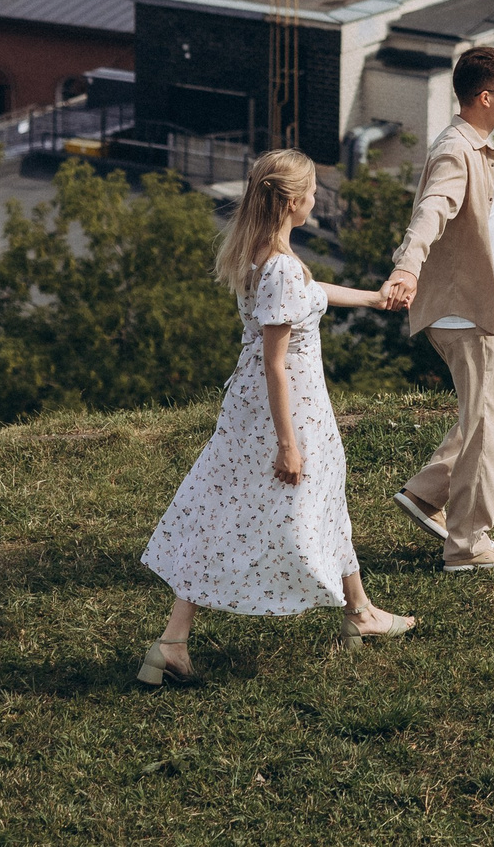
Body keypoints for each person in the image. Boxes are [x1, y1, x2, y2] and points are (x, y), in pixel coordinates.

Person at [137, 148, 414, 685]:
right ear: (291, 202)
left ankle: (356, 610)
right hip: (289, 410)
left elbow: (309, 295)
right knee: (285, 505)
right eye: (311, 191)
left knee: (233, 508)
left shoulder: (261, 253)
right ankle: (176, 641)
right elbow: (276, 362)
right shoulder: (283, 266)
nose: (316, 198)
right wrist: (288, 444)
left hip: (253, 406)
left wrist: (374, 298)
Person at [378, 45, 494, 573]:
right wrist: (407, 268)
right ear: (485, 97)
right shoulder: (456, 151)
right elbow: (431, 211)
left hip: (480, 310)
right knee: (487, 421)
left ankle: (426, 493)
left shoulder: (480, 147)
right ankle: (468, 545)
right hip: (464, 312)